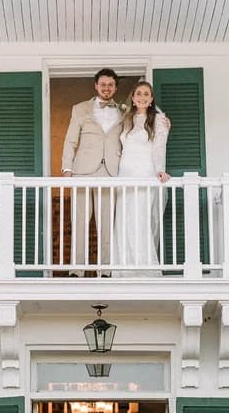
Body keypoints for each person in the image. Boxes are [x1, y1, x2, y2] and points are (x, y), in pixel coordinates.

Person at [58, 67, 125, 267]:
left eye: (110, 84)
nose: (106, 88)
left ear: (115, 87)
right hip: (82, 170)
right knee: (79, 221)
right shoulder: (80, 108)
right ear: (96, 85)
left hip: (111, 171)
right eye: (103, 84)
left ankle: (104, 269)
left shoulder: (124, 110)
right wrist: (66, 168)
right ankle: (77, 269)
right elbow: (70, 140)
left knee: (107, 224)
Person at [111, 78, 171, 269]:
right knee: (124, 218)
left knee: (140, 218)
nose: (142, 97)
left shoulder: (159, 120)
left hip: (144, 171)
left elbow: (159, 147)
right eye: (139, 94)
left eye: (146, 94)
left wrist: (160, 170)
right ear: (133, 98)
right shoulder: (126, 119)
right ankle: (124, 267)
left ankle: (144, 267)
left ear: (152, 99)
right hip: (125, 172)